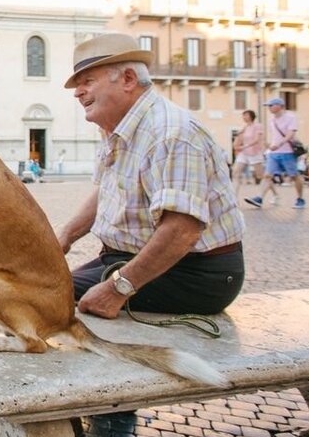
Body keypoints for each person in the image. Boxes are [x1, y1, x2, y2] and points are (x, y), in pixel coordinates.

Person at [56, 34, 245, 318]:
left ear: (128, 79)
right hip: (132, 258)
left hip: (195, 275)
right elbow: (108, 190)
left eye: (88, 81)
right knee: (47, 286)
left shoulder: (171, 133)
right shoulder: (120, 129)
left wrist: (116, 290)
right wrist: (65, 237)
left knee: (46, 294)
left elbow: (182, 230)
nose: (77, 92)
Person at [245, 98, 305, 209]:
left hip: (288, 152)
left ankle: (300, 199)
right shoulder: (271, 119)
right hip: (274, 153)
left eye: (271, 105)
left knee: (294, 176)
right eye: (268, 105)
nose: (269, 108)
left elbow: (290, 134)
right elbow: (274, 136)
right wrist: (269, 146)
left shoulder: (290, 117)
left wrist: (279, 144)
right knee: (267, 175)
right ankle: (259, 198)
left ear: (279, 106)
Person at [231, 109, 264, 198]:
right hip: (244, 153)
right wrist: (237, 143)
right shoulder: (245, 127)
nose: (244, 117)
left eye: (246, 115)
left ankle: (275, 193)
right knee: (235, 173)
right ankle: (233, 197)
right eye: (243, 115)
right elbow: (239, 139)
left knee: (260, 176)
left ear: (251, 116)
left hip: (255, 153)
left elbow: (257, 140)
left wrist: (245, 146)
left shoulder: (257, 126)